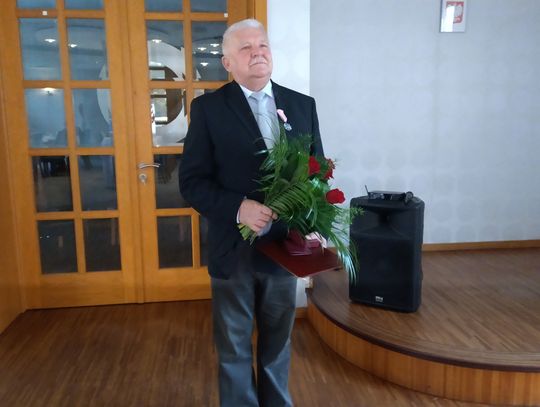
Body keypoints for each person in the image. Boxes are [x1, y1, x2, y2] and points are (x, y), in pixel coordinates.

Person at [179, 18, 324, 407]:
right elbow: (191, 182)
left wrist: (313, 224)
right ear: (228, 62)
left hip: (284, 249)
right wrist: (238, 208)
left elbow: (317, 173)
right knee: (233, 349)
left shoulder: (302, 105)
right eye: (246, 48)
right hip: (234, 249)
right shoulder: (208, 109)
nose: (257, 53)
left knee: (278, 345)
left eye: (262, 46)